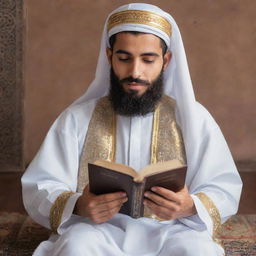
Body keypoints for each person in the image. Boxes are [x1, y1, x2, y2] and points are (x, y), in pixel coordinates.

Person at [22, 3, 242, 256]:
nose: (135, 72)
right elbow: (40, 184)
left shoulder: (194, 118)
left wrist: (190, 206)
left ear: (166, 60)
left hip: (174, 230)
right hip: (95, 230)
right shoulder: (76, 118)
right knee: (76, 248)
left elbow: (223, 186)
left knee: (197, 252)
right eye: (124, 59)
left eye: (148, 59)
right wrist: (78, 204)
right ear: (109, 57)